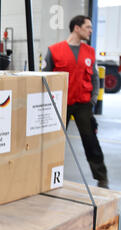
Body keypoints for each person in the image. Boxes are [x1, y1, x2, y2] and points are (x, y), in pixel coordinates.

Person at [43, 15, 109, 189]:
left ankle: (102, 177)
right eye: (88, 27)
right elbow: (45, 77)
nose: (91, 30)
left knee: (91, 141)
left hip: (83, 104)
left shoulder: (90, 52)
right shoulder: (54, 50)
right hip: (60, 105)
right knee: (52, 141)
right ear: (77, 28)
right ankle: (45, 173)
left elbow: (95, 78)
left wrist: (93, 99)